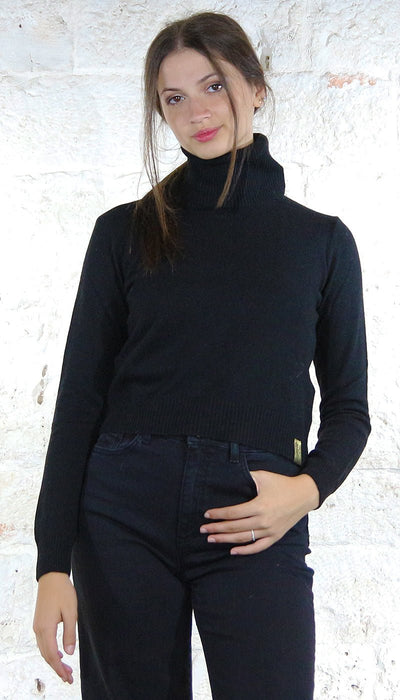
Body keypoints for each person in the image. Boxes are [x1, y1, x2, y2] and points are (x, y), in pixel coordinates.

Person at [33, 11, 370, 700]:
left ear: (255, 87)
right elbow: (79, 401)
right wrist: (51, 565)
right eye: (174, 98)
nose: (197, 112)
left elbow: (350, 409)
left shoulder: (321, 243)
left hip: (255, 513)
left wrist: (307, 491)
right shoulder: (124, 232)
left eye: (213, 86)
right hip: (122, 514)